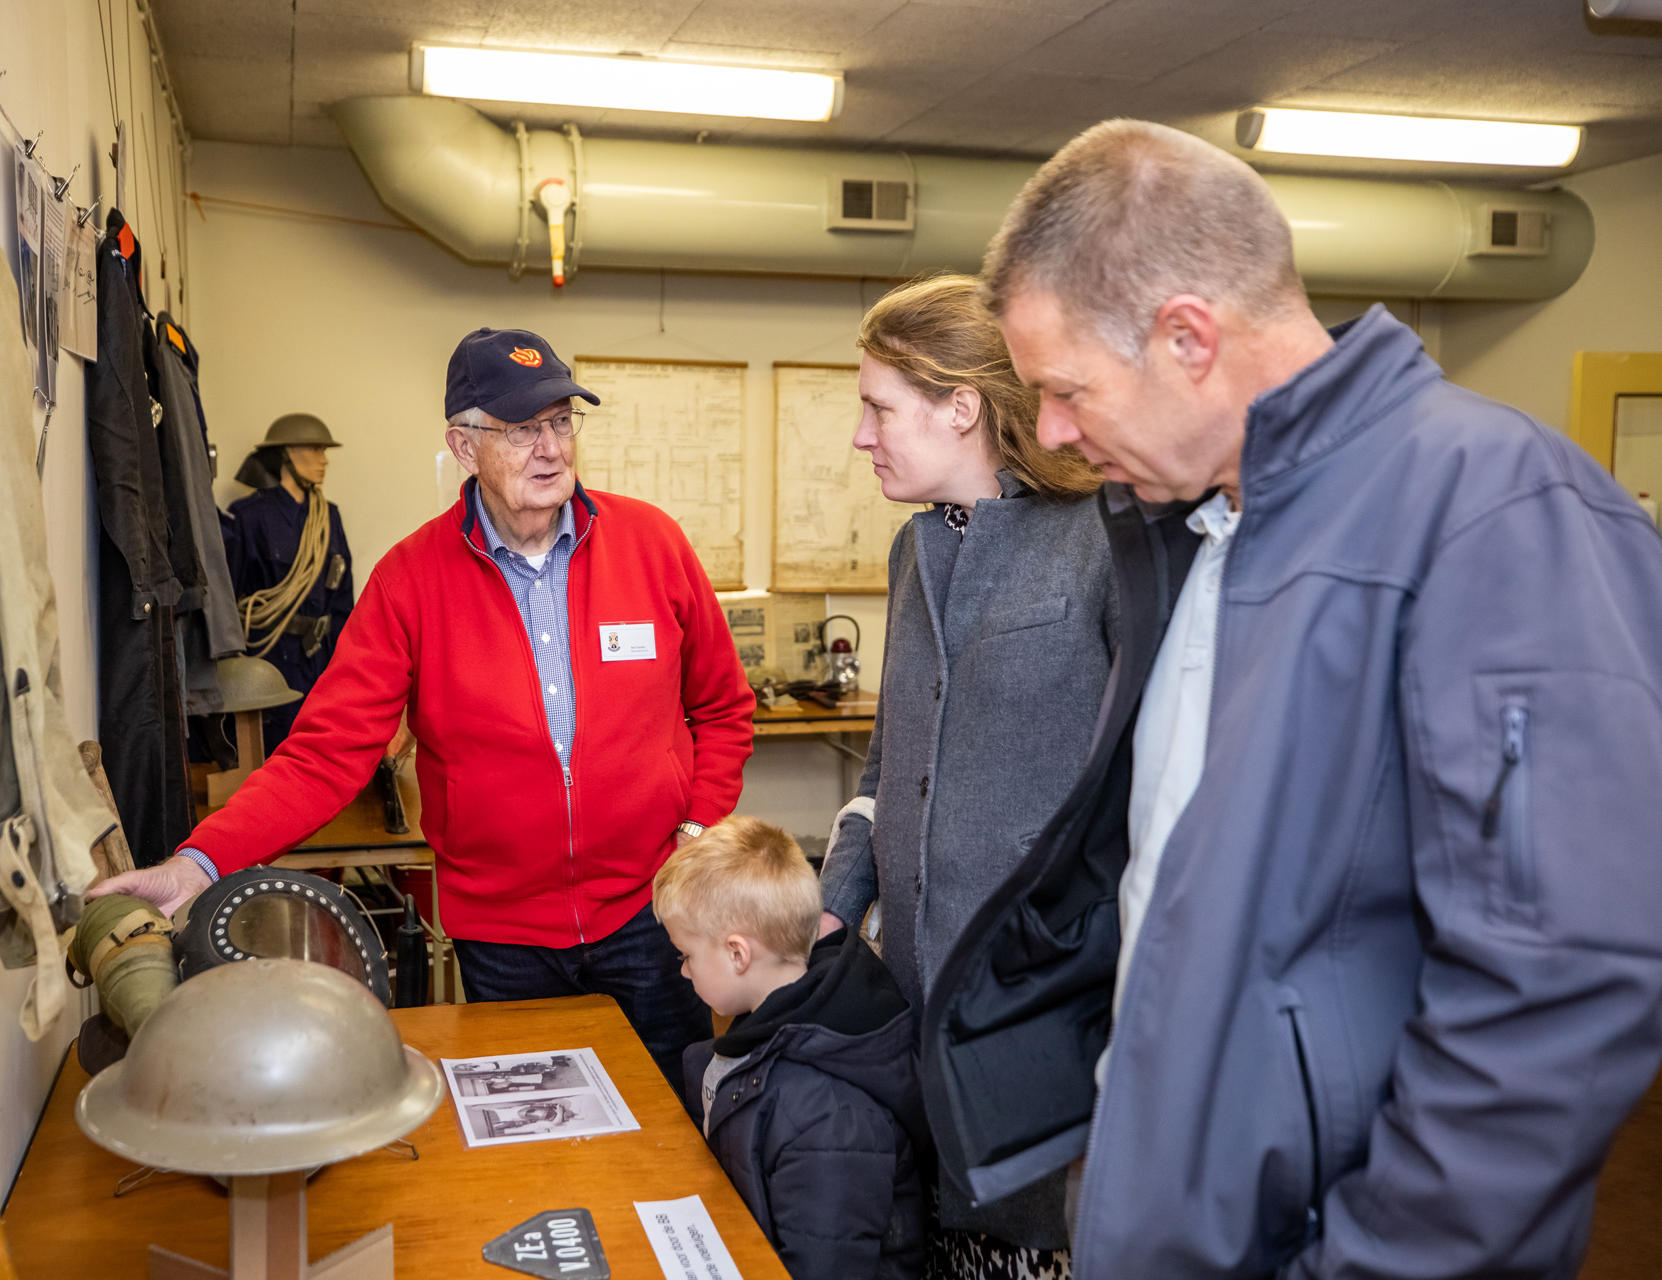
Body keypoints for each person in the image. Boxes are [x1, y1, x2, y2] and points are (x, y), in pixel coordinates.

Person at [921, 119, 1662, 1279]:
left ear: (1187, 337)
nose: (1052, 430)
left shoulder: (1496, 510)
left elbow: (1556, 988)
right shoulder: (1213, 527)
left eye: (1066, 390)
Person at [91, 327, 754, 1089]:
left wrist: (694, 836)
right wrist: (199, 861)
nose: (552, 450)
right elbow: (324, 753)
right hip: (503, 942)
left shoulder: (652, 545)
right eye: (521, 429)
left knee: (670, 1121)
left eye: (562, 421)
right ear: (465, 446)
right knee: (531, 1142)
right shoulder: (410, 580)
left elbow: (724, 709)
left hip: (654, 914)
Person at [816, 274, 1110, 1276]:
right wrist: (835, 898)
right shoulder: (911, 551)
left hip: (1037, 1001)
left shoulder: (1102, 541)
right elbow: (892, 754)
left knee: (1031, 1239)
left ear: (961, 405)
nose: (862, 435)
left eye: (877, 407)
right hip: (915, 983)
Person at [658, 816, 925, 1280]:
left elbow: (824, 1265)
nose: (683, 971)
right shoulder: (766, 1030)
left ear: (738, 954)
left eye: (686, 956)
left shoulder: (828, 1118)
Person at [222, 413, 355, 749]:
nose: (324, 460)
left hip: (319, 656)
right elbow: (229, 595)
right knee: (275, 744)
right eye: (315, 449)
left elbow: (342, 598)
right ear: (286, 455)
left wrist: (346, 662)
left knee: (320, 739)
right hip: (271, 654)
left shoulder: (329, 516)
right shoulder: (248, 516)